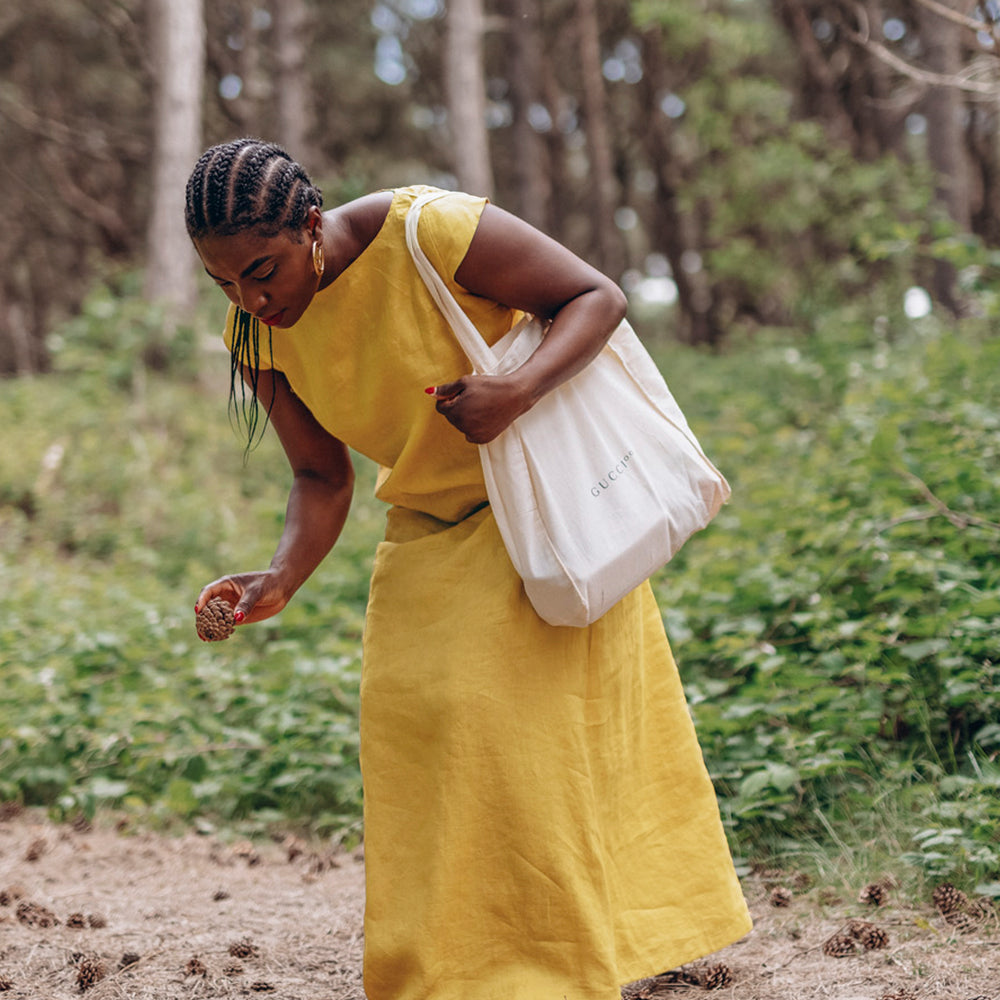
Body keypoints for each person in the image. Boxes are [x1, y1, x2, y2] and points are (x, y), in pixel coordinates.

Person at [186, 137, 751, 1000]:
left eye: (261, 270)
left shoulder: (431, 231)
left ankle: (540, 974)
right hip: (423, 530)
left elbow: (595, 296)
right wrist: (280, 576)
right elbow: (321, 474)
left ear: (310, 226)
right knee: (411, 739)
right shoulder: (253, 332)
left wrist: (518, 389)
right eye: (224, 283)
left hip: (543, 521)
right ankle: (440, 972)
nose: (250, 299)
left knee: (520, 747)